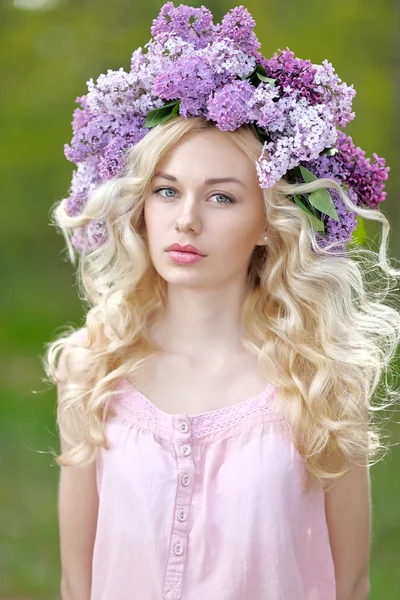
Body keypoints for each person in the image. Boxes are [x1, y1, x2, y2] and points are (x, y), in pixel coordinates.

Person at [42, 3, 400, 600]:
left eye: (222, 198)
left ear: (268, 222)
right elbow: (77, 584)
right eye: (166, 191)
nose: (185, 221)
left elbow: (352, 584)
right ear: (142, 206)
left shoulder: (320, 380)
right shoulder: (92, 368)